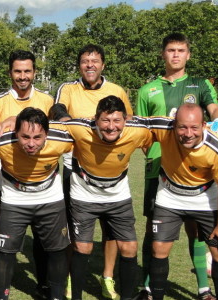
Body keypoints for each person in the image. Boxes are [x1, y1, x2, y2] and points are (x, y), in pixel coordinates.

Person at [136, 33, 218, 300]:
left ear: (188, 54)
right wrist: (156, 153)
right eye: (170, 50)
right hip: (158, 169)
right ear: (163, 54)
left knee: (197, 229)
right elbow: (143, 132)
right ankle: (148, 288)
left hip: (194, 170)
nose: (175, 55)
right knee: (154, 232)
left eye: (181, 50)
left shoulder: (199, 85)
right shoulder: (147, 90)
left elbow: (214, 109)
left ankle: (203, 288)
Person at [54, 44, 133, 300]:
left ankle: (107, 277)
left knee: (112, 230)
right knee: (72, 229)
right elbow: (57, 111)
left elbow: (128, 122)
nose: (90, 65)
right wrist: (73, 122)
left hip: (112, 171)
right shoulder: (68, 88)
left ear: (103, 65)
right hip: (74, 169)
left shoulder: (116, 91)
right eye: (85, 61)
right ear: (79, 65)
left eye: (95, 60)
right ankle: (70, 276)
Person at [62, 96, 151, 300]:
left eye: (117, 120)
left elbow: (164, 129)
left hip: (118, 197)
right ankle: (76, 296)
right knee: (83, 246)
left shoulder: (137, 132)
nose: (111, 127)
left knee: (129, 247)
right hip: (84, 196)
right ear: (96, 119)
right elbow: (44, 126)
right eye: (106, 120)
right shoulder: (78, 128)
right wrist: (11, 120)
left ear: (125, 120)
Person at [0, 49, 54, 298]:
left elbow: (54, 134)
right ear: (10, 72)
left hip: (42, 181)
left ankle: (44, 283)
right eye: (17, 71)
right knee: (1, 235)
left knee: (41, 235)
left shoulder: (47, 101)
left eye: (27, 71)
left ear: (34, 72)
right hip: (7, 183)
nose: (22, 76)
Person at [146, 103, 218, 300]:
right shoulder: (163, 127)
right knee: (159, 248)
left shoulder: (216, 149)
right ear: (174, 125)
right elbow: (136, 123)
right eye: (182, 127)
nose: (188, 133)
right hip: (170, 195)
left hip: (205, 198)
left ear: (204, 125)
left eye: (194, 127)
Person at [0, 107, 72, 300]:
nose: (31, 144)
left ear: (47, 134)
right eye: (25, 137)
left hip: (50, 199)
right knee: (5, 251)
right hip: (14, 200)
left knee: (58, 250)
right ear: (15, 133)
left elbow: (89, 129)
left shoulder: (62, 140)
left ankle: (56, 295)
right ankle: (2, 295)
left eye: (37, 138)